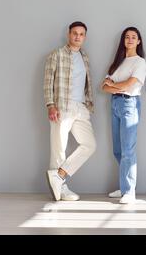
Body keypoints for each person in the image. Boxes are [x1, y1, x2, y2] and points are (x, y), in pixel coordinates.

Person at [44, 21, 96, 201]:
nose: (78, 37)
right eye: (75, 33)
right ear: (69, 34)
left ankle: (59, 175)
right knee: (59, 148)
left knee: (89, 145)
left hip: (81, 107)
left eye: (81, 34)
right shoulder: (56, 54)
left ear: (85, 37)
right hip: (62, 106)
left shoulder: (85, 57)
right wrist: (50, 104)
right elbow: (47, 81)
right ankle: (61, 188)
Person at [102, 27, 146, 204]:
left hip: (130, 104)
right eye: (127, 37)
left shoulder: (140, 62)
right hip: (115, 104)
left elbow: (129, 86)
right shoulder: (117, 62)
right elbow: (103, 87)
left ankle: (130, 191)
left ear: (138, 41)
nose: (129, 39)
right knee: (118, 150)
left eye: (133, 37)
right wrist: (114, 86)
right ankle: (123, 187)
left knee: (128, 149)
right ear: (123, 40)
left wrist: (113, 84)